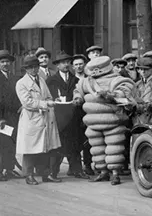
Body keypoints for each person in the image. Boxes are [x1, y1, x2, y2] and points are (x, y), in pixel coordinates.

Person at [73, 56, 137, 186]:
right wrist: (78, 98)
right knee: (97, 147)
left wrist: (111, 95)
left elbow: (125, 91)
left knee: (114, 146)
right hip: (93, 122)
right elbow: (78, 90)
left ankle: (115, 173)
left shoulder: (117, 80)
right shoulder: (87, 81)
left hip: (113, 121)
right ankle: (103, 172)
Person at [15, 55, 61, 185]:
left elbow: (47, 96)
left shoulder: (41, 80)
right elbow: (27, 102)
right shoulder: (21, 83)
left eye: (36, 66)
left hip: (44, 118)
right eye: (31, 67)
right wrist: (45, 104)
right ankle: (28, 175)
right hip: (31, 119)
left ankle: (45, 174)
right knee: (30, 149)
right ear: (26, 69)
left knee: (44, 147)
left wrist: (52, 101)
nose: (34, 69)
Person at [46, 51, 87, 179]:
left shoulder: (76, 79)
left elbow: (80, 93)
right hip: (59, 116)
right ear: (57, 65)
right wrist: (54, 99)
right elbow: (47, 96)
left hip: (74, 114)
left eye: (67, 62)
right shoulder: (51, 80)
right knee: (58, 144)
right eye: (62, 62)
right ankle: (53, 172)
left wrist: (78, 100)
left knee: (74, 142)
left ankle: (76, 169)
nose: (65, 65)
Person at [0, 49, 22, 179]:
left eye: (7, 61)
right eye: (2, 61)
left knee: (12, 142)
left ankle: (9, 169)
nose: (5, 64)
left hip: (13, 115)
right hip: (2, 116)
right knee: (1, 143)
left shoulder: (14, 78)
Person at [70, 54, 93, 175]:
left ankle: (88, 165)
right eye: (76, 65)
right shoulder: (71, 80)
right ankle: (74, 166)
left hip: (88, 112)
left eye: (81, 64)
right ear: (73, 67)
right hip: (74, 114)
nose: (79, 67)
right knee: (75, 140)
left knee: (88, 140)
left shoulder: (89, 79)